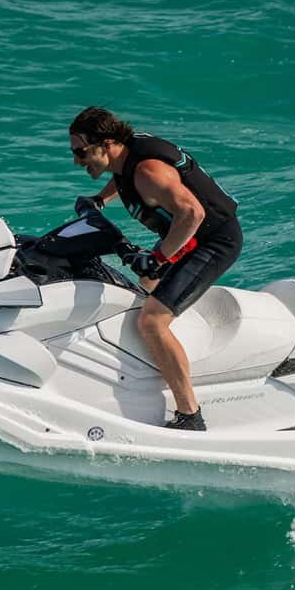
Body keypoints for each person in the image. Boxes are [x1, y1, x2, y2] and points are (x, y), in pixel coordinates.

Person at [69, 106, 242, 431]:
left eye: (81, 152)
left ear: (106, 144)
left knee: (151, 321)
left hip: (213, 243)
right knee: (144, 284)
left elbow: (192, 213)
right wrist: (101, 200)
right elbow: (123, 177)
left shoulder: (148, 171)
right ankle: (158, 362)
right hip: (188, 239)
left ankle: (190, 416)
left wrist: (159, 257)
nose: (77, 161)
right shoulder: (125, 158)